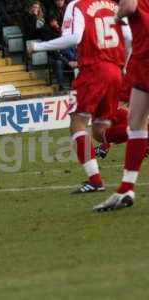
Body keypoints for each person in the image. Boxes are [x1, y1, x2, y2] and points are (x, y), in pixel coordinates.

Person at [29, 0, 132, 193]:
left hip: (93, 70)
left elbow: (75, 37)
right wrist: (123, 65)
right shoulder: (112, 5)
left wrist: (39, 47)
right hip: (115, 71)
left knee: (77, 124)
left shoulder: (77, 5)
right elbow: (129, 38)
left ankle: (95, 181)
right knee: (100, 130)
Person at [93, 0, 149, 212]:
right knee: (135, 124)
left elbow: (129, 6)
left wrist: (115, 18)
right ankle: (126, 188)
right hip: (142, 57)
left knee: (136, 125)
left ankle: (126, 188)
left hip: (145, 56)